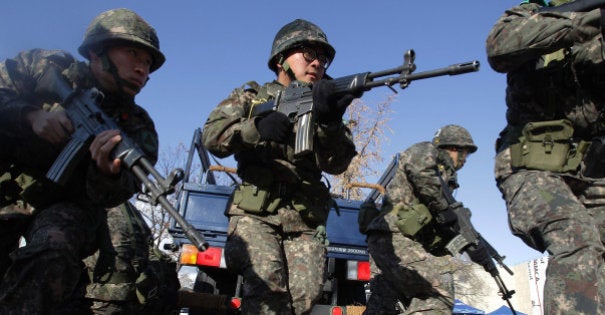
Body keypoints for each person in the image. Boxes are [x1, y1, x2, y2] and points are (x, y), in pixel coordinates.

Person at [0, 8, 164, 313]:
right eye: (133, 54)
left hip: (63, 205)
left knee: (52, 252)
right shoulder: (45, 67)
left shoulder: (138, 127)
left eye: (147, 63)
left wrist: (108, 174)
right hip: (8, 186)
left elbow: (115, 194)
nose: (143, 69)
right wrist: (30, 115)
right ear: (96, 51)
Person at [202, 18, 359, 314]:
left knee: (305, 299)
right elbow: (212, 136)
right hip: (255, 215)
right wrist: (256, 128)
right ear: (280, 59)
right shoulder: (250, 97)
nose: (317, 63)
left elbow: (338, 164)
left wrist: (331, 122)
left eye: (322, 58)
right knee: (267, 292)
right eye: (308, 54)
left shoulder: (326, 105)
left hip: (304, 218)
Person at [486, 0, 605, 313]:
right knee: (575, 238)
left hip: (593, 170)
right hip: (531, 165)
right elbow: (500, 47)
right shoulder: (531, 13)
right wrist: (598, 19)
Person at [361, 124, 490, 314]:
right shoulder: (425, 152)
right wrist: (451, 215)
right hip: (396, 240)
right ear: (453, 148)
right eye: (464, 153)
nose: (465, 160)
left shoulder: (444, 177)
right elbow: (424, 179)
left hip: (395, 242)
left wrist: (469, 246)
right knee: (438, 291)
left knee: (382, 305)